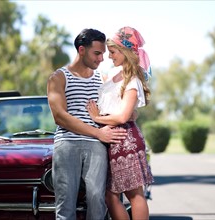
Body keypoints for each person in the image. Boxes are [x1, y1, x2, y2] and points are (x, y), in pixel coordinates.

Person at [47, 28, 127, 220]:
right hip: (67, 144)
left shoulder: (103, 79)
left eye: (103, 54)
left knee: (96, 199)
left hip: (97, 145)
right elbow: (60, 116)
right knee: (65, 204)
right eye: (97, 53)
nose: (101, 59)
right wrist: (98, 132)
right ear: (81, 50)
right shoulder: (58, 78)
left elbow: (122, 106)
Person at [86, 26, 154, 220]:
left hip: (125, 140)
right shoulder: (114, 75)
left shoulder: (132, 80)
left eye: (113, 52)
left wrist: (96, 118)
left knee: (134, 194)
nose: (109, 56)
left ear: (124, 51)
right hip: (111, 141)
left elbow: (123, 116)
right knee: (110, 195)